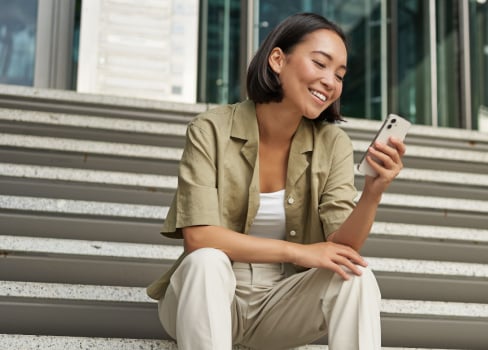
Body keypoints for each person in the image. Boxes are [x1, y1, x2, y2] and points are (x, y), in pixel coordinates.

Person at [145, 13, 405, 350]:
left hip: (280, 304)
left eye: (340, 75)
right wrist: (301, 252)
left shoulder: (332, 143)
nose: (330, 82)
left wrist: (373, 192)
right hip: (206, 295)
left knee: (356, 277)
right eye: (320, 64)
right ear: (278, 59)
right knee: (207, 261)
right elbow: (199, 238)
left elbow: (341, 248)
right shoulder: (211, 129)